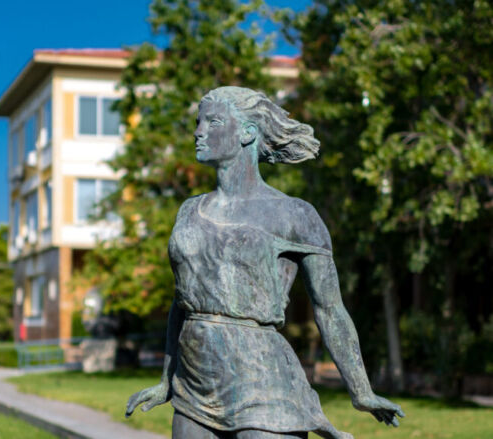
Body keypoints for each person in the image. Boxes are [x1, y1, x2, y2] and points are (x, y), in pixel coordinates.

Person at [125, 87, 404, 439]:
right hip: (194, 386)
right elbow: (182, 301)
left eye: (213, 122)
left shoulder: (294, 214)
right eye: (198, 122)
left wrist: (361, 392)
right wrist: (166, 381)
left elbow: (330, 309)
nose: (198, 132)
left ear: (247, 133)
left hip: (263, 382)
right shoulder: (189, 211)